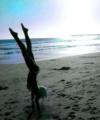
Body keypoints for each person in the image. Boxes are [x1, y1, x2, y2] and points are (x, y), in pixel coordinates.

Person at [9, 24, 40, 114]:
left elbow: (30, 79)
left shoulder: (33, 88)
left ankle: (25, 32)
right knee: (24, 50)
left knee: (29, 48)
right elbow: (35, 99)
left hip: (34, 69)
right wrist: (36, 110)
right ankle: (16, 36)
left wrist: (32, 102)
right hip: (33, 68)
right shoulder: (35, 89)